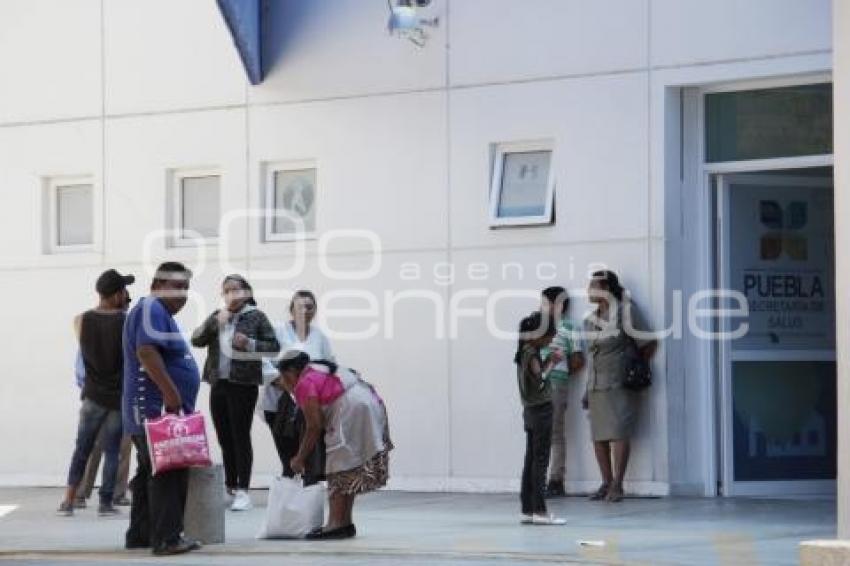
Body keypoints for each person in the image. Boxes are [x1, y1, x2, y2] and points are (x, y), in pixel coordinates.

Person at [122, 262, 202, 556]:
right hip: (156, 409)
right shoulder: (151, 308)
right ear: (158, 284)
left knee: (148, 473)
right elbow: (146, 350)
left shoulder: (154, 311)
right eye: (177, 287)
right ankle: (168, 539)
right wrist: (171, 392)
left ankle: (141, 535)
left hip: (151, 410)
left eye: (186, 289)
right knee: (168, 472)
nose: (183, 295)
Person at [274, 349, 392, 540]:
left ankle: (334, 525)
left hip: (351, 411)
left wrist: (299, 458)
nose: (281, 382)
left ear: (289, 372)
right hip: (368, 404)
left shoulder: (305, 383)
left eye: (282, 377)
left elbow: (314, 426)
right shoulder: (318, 370)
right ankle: (344, 523)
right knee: (348, 466)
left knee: (337, 466)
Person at [191, 274, 280, 511]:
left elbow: (274, 348)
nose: (231, 294)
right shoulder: (218, 316)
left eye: (235, 289)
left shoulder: (256, 316)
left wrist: (250, 344)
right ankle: (230, 486)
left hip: (243, 384)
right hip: (218, 383)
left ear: (246, 293)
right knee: (224, 437)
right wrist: (216, 322)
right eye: (226, 290)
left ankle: (243, 490)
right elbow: (196, 339)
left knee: (240, 436)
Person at [57, 269, 135, 517]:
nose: (126, 295)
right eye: (123, 291)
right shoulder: (127, 321)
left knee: (82, 449)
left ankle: (68, 501)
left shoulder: (81, 319)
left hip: (91, 396)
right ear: (114, 295)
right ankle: (105, 503)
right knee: (112, 450)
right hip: (116, 397)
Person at [582, 270, 657, 503]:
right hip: (596, 384)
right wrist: (586, 389)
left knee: (618, 433)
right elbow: (592, 356)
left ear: (605, 288)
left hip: (619, 382)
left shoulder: (626, 312)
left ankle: (618, 484)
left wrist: (634, 366)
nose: (588, 291)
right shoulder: (591, 319)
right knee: (599, 436)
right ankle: (605, 482)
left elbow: (648, 343)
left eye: (592, 286)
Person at [260, 290, 333, 481]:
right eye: (300, 306)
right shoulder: (277, 331)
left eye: (310, 306)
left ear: (315, 310)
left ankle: (308, 502)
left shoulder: (320, 337)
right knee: (288, 459)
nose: (305, 310)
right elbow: (260, 361)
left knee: (309, 458)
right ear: (291, 309)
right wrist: (283, 382)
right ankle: (288, 502)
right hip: (278, 403)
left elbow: (329, 366)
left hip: (309, 405)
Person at [514, 311, 565, 526]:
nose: (550, 340)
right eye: (548, 336)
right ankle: (540, 511)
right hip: (540, 411)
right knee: (540, 461)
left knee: (531, 460)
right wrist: (552, 362)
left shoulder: (524, 352)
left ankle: (527, 509)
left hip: (529, 411)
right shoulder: (531, 354)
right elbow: (540, 378)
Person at [539, 287, 585, 498]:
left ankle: (556, 480)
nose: (542, 307)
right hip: (536, 387)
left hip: (556, 385)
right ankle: (537, 479)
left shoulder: (569, 327)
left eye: (545, 303)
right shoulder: (536, 327)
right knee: (537, 434)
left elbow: (578, 359)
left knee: (555, 433)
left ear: (559, 305)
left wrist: (561, 374)